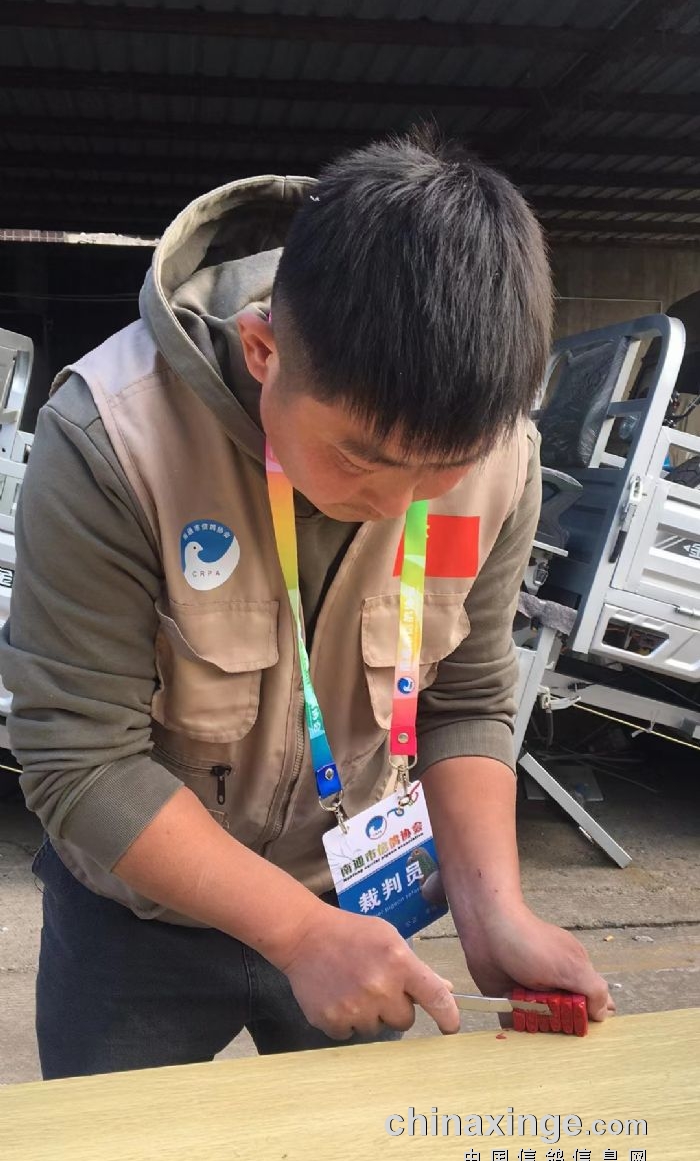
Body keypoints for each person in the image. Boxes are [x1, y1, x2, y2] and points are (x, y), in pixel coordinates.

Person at [0, 130, 612, 1080]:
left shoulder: (502, 460)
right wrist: (294, 932)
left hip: (359, 910)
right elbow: (80, 759)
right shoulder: (112, 440)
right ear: (262, 351)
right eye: (362, 460)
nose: (396, 505)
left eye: (439, 473)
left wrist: (494, 909)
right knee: (129, 1158)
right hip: (140, 925)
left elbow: (467, 701)